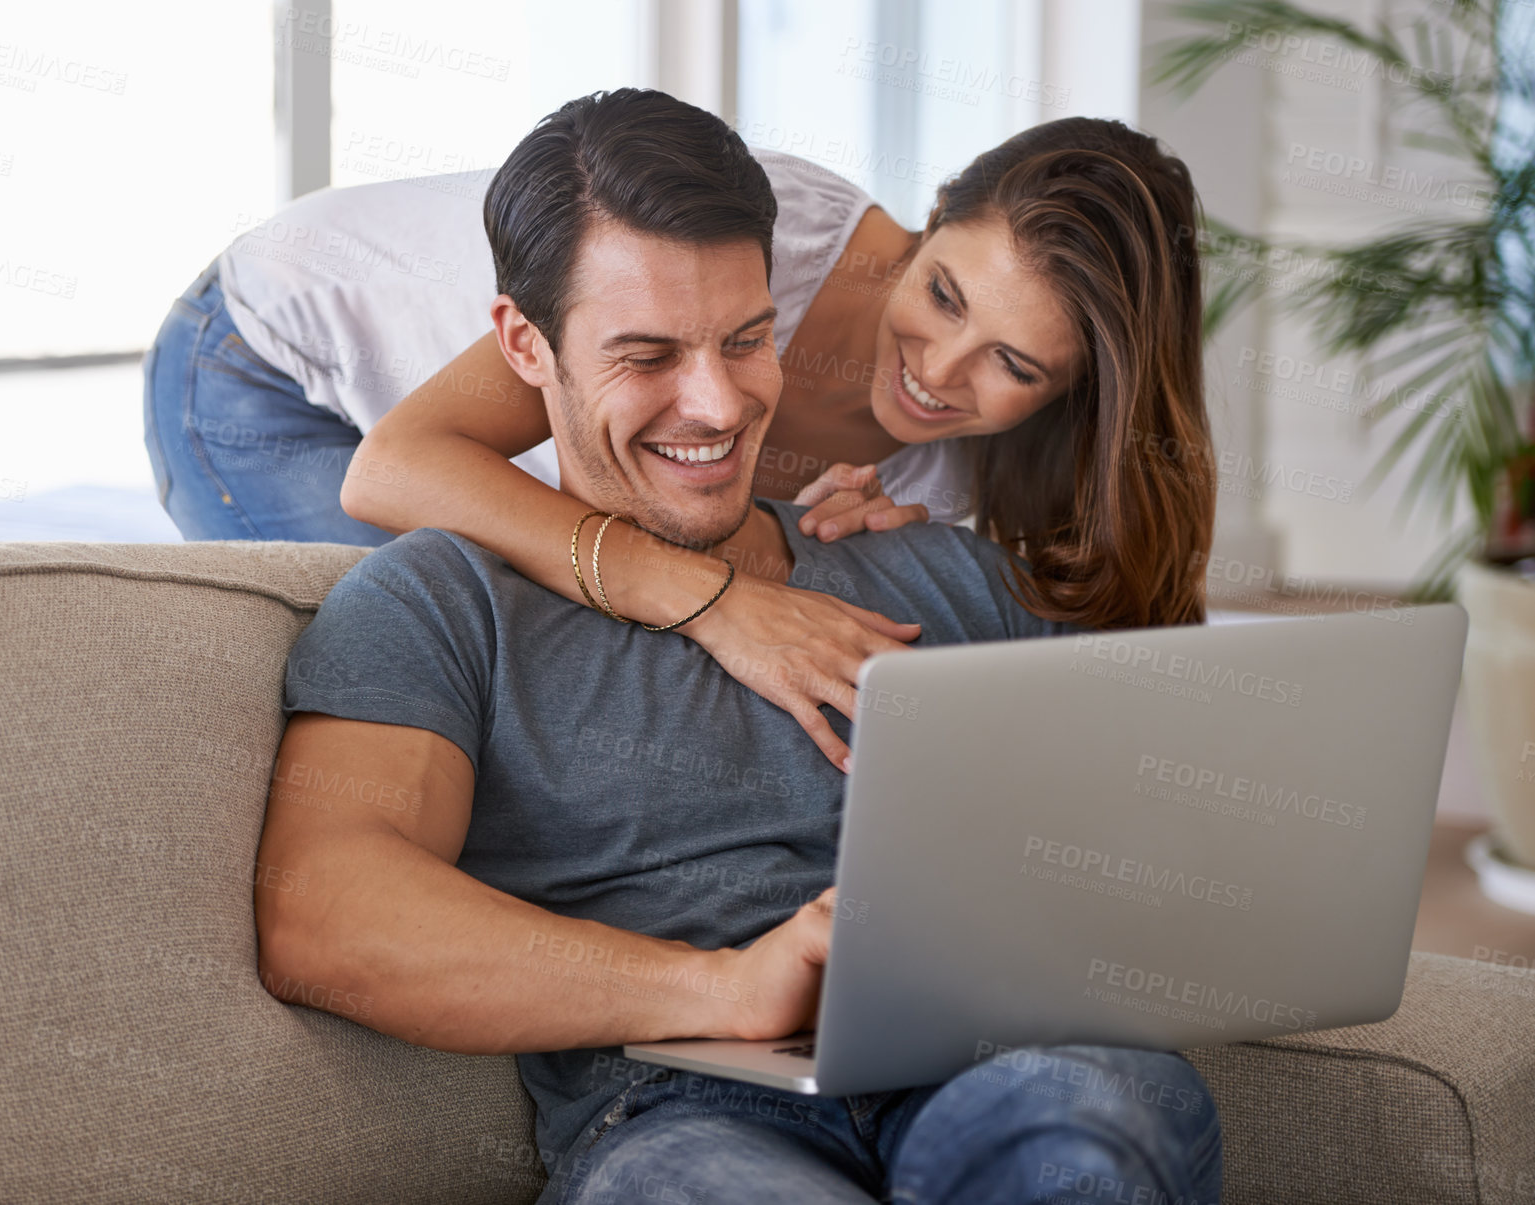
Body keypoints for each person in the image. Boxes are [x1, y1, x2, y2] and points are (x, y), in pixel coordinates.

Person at [253, 91, 1222, 1205]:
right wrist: (720, 986)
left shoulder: (940, 566)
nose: (716, 404)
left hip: (999, 1069)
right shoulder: (440, 600)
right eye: (648, 354)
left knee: (1100, 1119)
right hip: (686, 1116)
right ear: (525, 344)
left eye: (747, 339)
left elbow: (1170, 822)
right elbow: (322, 910)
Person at [144, 89, 1214, 774]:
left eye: (1014, 364)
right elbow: (403, 466)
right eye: (942, 295)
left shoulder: (948, 472)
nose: (937, 371)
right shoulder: (769, 240)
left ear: (1076, 394)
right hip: (265, 363)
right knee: (429, 665)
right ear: (930, 219)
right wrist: (715, 596)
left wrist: (846, 557)